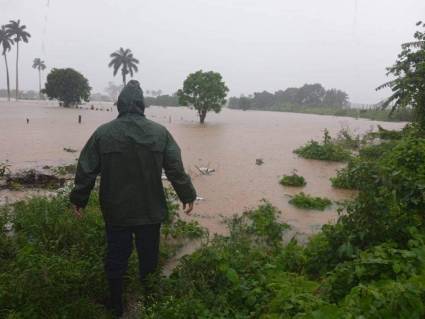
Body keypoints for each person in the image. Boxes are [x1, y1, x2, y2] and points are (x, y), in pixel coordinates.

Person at [69, 80, 196, 317]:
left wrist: (79, 199)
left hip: (116, 211)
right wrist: (187, 194)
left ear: (119, 105)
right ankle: (149, 304)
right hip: (150, 211)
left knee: (116, 258)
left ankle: (116, 306)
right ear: (142, 105)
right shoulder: (160, 133)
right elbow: (175, 168)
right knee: (149, 259)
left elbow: (86, 169)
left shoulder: (103, 133)